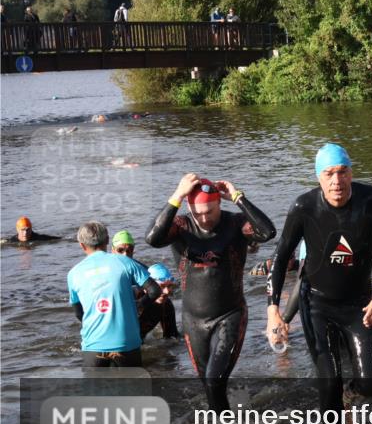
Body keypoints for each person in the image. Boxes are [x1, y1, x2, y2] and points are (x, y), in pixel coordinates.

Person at [266, 144, 372, 424]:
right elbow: (280, 259)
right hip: (315, 304)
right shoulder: (304, 207)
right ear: (319, 177)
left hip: (360, 304)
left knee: (371, 385)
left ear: (351, 173)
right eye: (329, 174)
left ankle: (349, 396)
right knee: (328, 382)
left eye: (342, 172)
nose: (337, 181)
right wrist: (272, 311)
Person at [145, 175, 276, 411]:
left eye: (210, 211)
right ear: (188, 206)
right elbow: (152, 238)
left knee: (215, 380)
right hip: (193, 320)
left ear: (219, 204)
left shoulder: (235, 224)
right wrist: (177, 195)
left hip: (229, 315)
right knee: (209, 383)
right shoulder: (181, 226)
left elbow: (267, 232)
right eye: (199, 212)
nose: (204, 218)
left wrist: (238, 197)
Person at [68, 221, 165, 368]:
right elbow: (155, 290)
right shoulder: (126, 262)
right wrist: (138, 305)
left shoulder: (73, 273)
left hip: (93, 346)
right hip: (126, 344)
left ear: (81, 245)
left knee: (95, 391)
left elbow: (78, 313)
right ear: (107, 240)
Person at [112, 230, 180, 340]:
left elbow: (172, 339)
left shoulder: (165, 304)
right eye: (121, 250)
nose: (125, 254)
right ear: (113, 251)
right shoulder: (127, 295)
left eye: (129, 250)